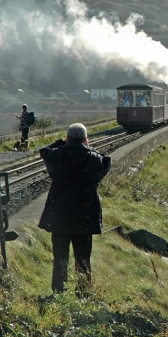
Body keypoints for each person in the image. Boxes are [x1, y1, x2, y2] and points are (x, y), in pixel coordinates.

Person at [38, 123, 112, 294]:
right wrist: (86, 148)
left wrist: (63, 143)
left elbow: (45, 151)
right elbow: (106, 161)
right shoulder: (94, 158)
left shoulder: (56, 154)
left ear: (67, 138)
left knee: (60, 256)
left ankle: (59, 289)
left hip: (59, 217)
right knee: (83, 257)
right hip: (84, 218)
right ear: (85, 139)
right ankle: (83, 291)